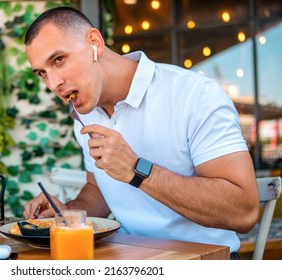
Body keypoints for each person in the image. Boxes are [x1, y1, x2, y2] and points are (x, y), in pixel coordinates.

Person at [23, 6, 259, 255]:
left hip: (203, 261)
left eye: (58, 60)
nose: (53, 84)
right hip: (129, 257)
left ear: (94, 42)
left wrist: (137, 170)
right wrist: (67, 215)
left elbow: (243, 212)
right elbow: (98, 189)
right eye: (42, 73)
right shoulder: (86, 113)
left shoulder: (193, 94)